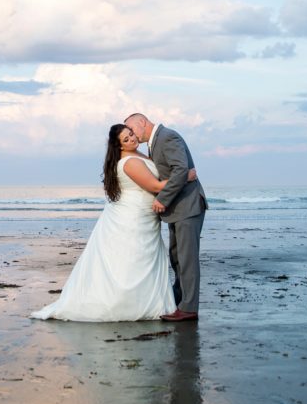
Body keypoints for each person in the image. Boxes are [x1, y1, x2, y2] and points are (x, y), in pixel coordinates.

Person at [30, 124, 197, 322]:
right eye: (126, 140)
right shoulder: (130, 162)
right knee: (132, 258)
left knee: (140, 257)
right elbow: (155, 186)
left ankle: (149, 300)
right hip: (134, 215)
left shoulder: (141, 154)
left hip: (145, 215)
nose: (132, 139)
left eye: (131, 134)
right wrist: (185, 176)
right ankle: (127, 303)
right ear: (119, 147)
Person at [124, 113, 207, 322]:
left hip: (187, 205)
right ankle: (179, 298)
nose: (132, 135)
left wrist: (163, 198)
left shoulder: (167, 137)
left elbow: (180, 169)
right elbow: (174, 172)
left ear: (142, 122)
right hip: (178, 208)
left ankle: (189, 308)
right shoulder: (155, 142)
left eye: (132, 129)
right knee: (177, 256)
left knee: (187, 258)